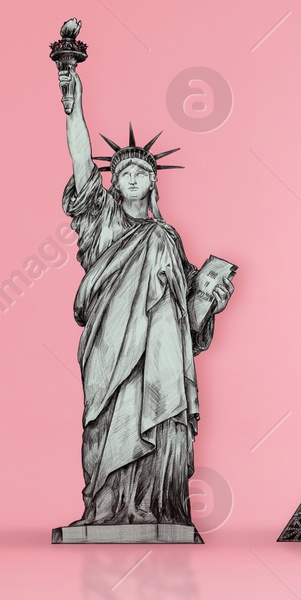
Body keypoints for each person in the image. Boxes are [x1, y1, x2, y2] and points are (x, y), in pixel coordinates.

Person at [58, 68, 233, 529]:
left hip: (159, 354)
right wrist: (73, 106)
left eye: (142, 172)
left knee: (159, 418)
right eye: (123, 172)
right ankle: (105, 507)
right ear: (112, 182)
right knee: (103, 422)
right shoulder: (101, 223)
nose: (132, 177)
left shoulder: (166, 237)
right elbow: (81, 162)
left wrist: (210, 296)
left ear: (154, 182)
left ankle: (155, 506)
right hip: (109, 347)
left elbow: (187, 316)